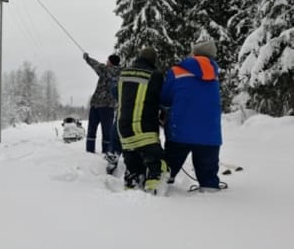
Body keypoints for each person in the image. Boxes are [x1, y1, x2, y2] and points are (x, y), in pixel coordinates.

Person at [160, 39, 223, 192]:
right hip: (210, 134)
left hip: (179, 131)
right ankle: (211, 198)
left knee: (165, 173)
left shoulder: (177, 71)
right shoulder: (215, 73)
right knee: (209, 183)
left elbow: (164, 98)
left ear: (194, 53)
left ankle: (162, 186)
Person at [117, 48, 168, 194]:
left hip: (124, 129)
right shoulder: (155, 75)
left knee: (132, 163)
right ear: (153, 60)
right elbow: (163, 98)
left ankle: (131, 182)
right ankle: (154, 186)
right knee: (157, 163)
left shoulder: (123, 73)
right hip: (144, 129)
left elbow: (116, 93)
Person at [83, 53, 121, 154]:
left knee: (92, 130)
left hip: (99, 105)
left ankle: (90, 151)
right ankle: (106, 152)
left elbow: (95, 64)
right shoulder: (120, 73)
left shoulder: (105, 70)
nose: (106, 62)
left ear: (111, 62)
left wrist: (87, 58)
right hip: (108, 106)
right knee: (107, 131)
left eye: (108, 61)